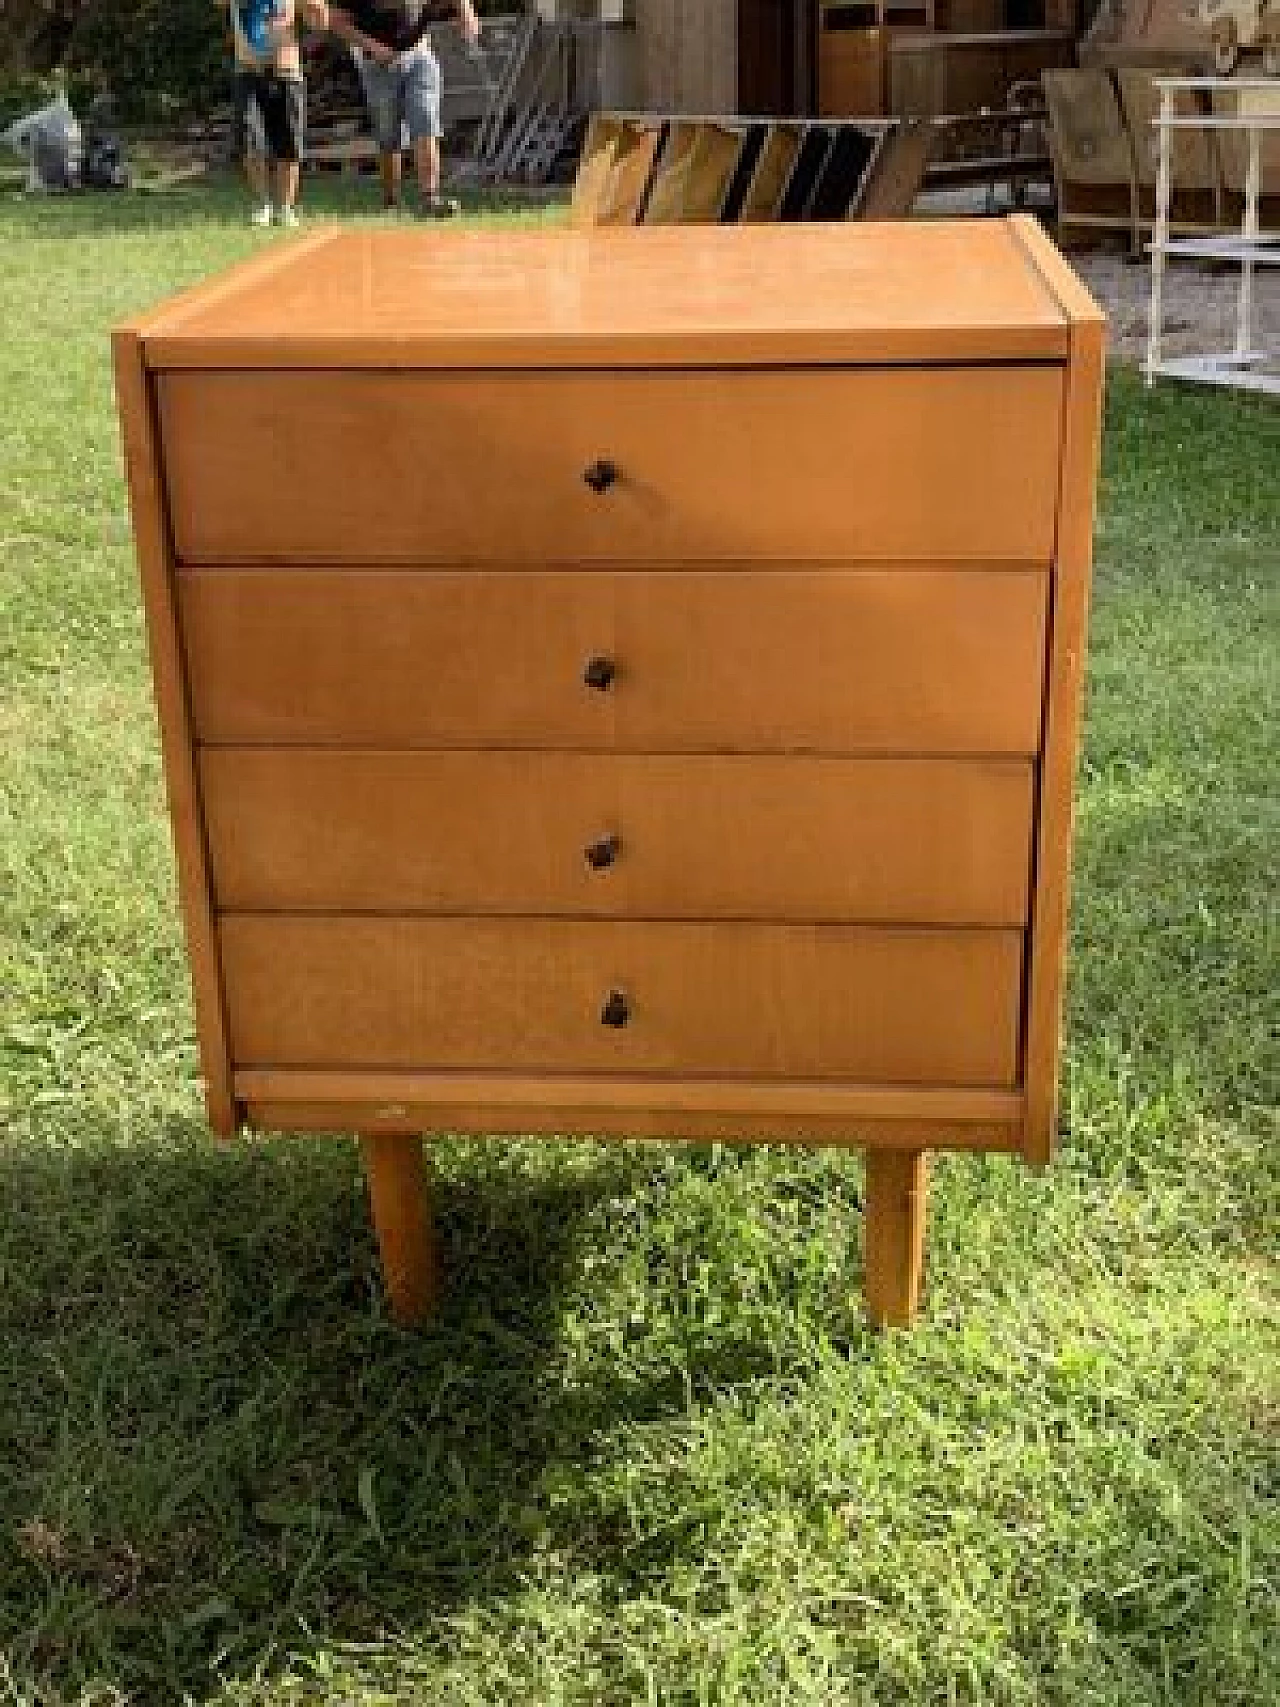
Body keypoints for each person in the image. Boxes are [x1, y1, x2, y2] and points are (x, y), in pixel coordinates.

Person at [327, 2, 480, 217]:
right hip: (378, 65)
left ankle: (431, 199)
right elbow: (335, 20)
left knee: (425, 119)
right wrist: (372, 47)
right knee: (388, 135)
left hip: (419, 56)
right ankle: (391, 202)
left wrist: (467, 14)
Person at [226, 0, 329, 227]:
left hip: (286, 71)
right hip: (248, 70)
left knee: (288, 143)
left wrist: (310, 41)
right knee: (249, 138)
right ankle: (263, 205)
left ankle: (285, 208)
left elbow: (320, 15)